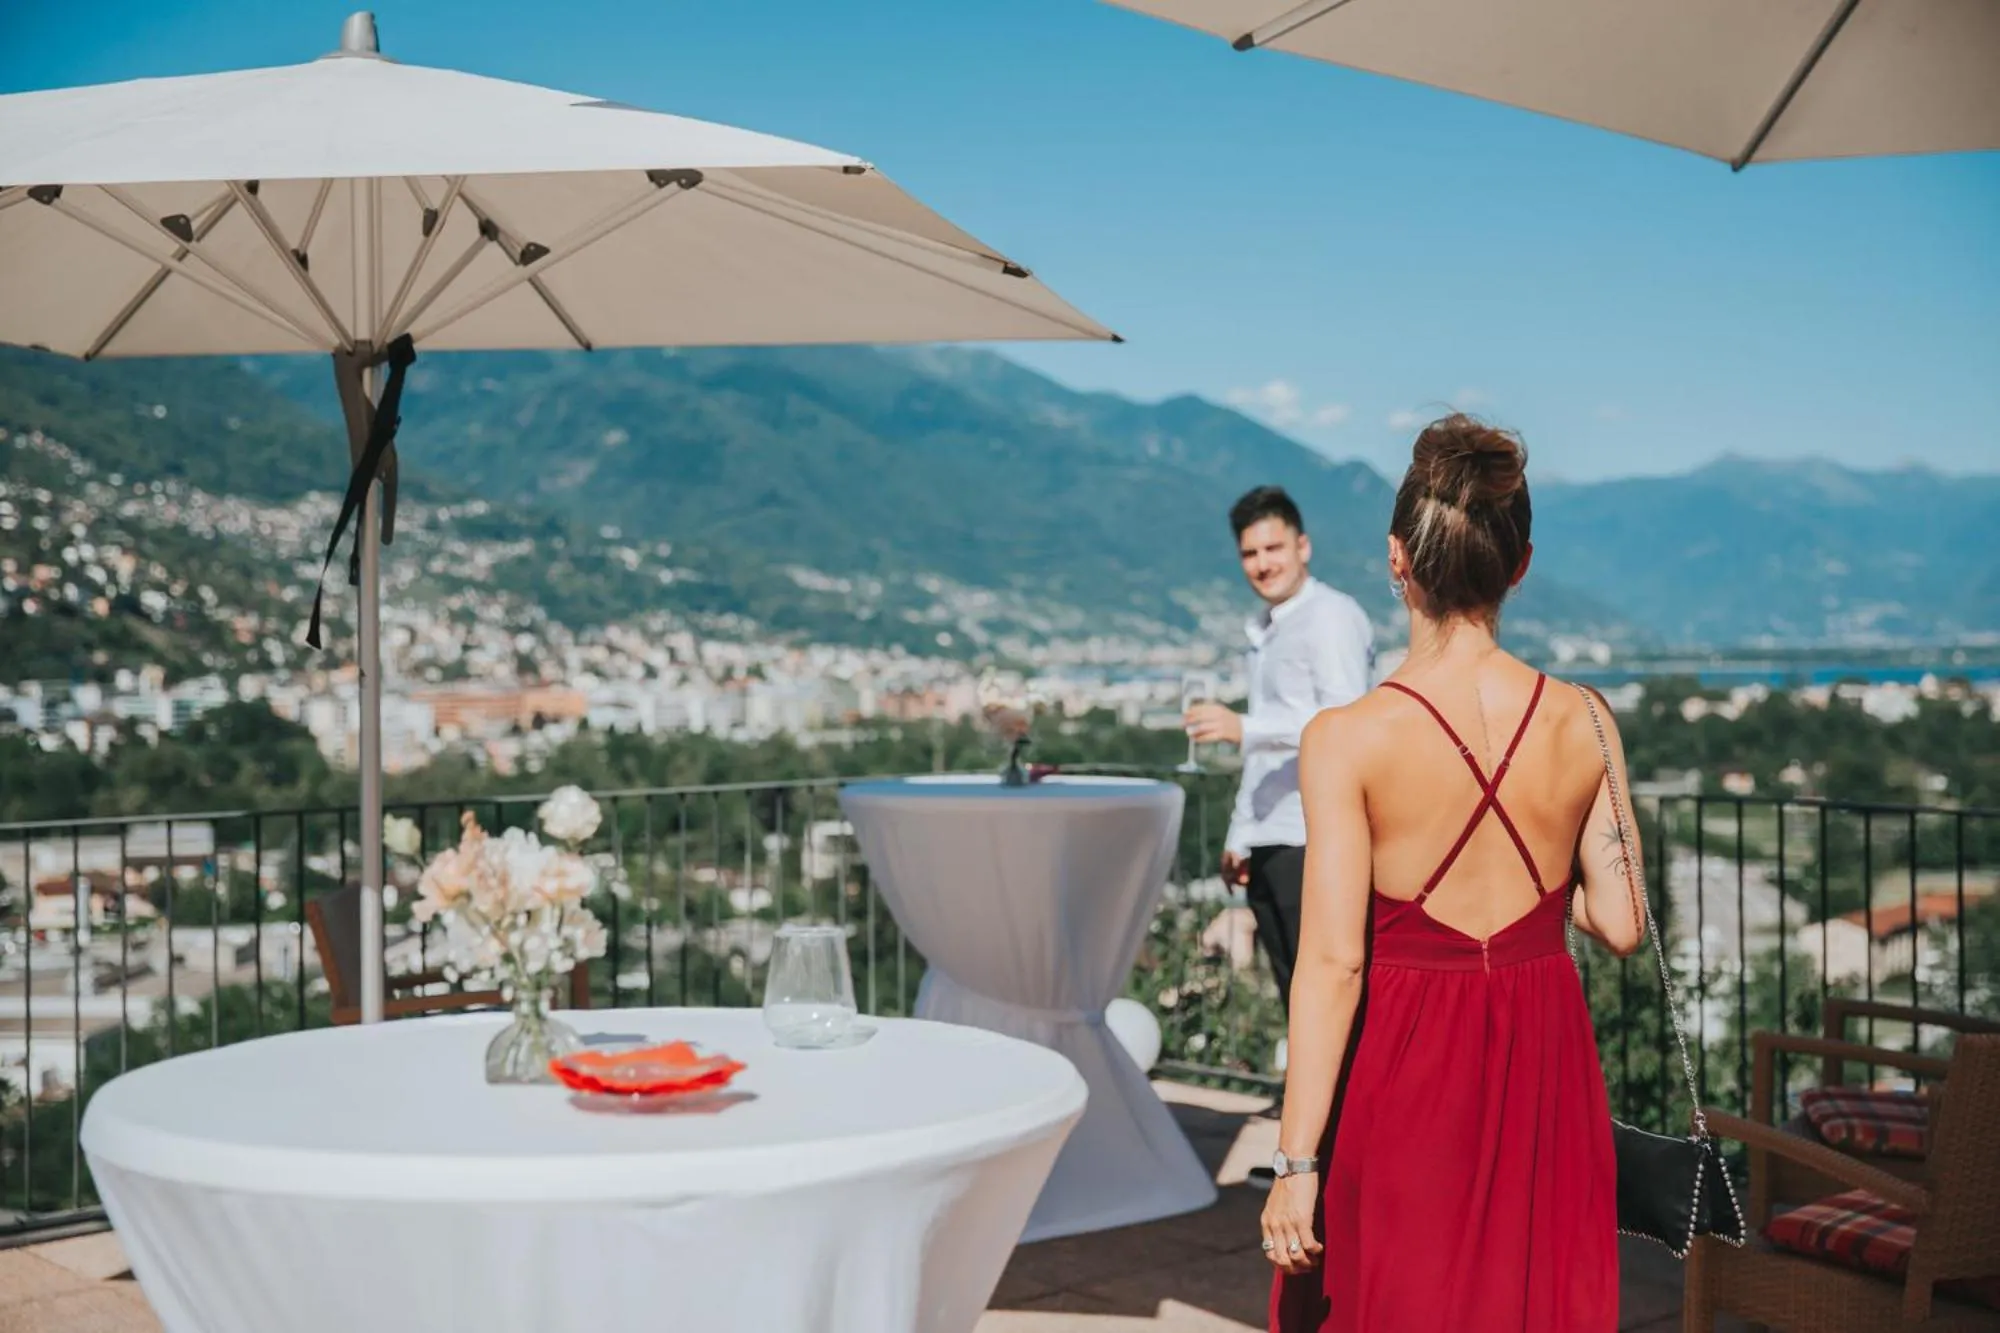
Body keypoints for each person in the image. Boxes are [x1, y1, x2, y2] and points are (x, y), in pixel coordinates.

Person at [1263, 417, 1642, 1332]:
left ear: (1397, 559)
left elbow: (1333, 965)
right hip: (1542, 1056)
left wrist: (1296, 1162)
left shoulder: (1344, 739)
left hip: (1406, 1062)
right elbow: (1623, 921)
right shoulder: (1587, 719)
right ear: (1520, 565)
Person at [1184, 486, 1373, 1026]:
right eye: (1250, 553)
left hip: (1313, 835)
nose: (1262, 564)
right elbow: (1264, 756)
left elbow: (1343, 720)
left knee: (1328, 1001)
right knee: (1295, 996)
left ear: (1302, 547)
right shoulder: (1268, 630)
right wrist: (1241, 834)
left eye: (1273, 549)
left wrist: (1243, 727)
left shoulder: (1331, 616)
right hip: (1272, 838)